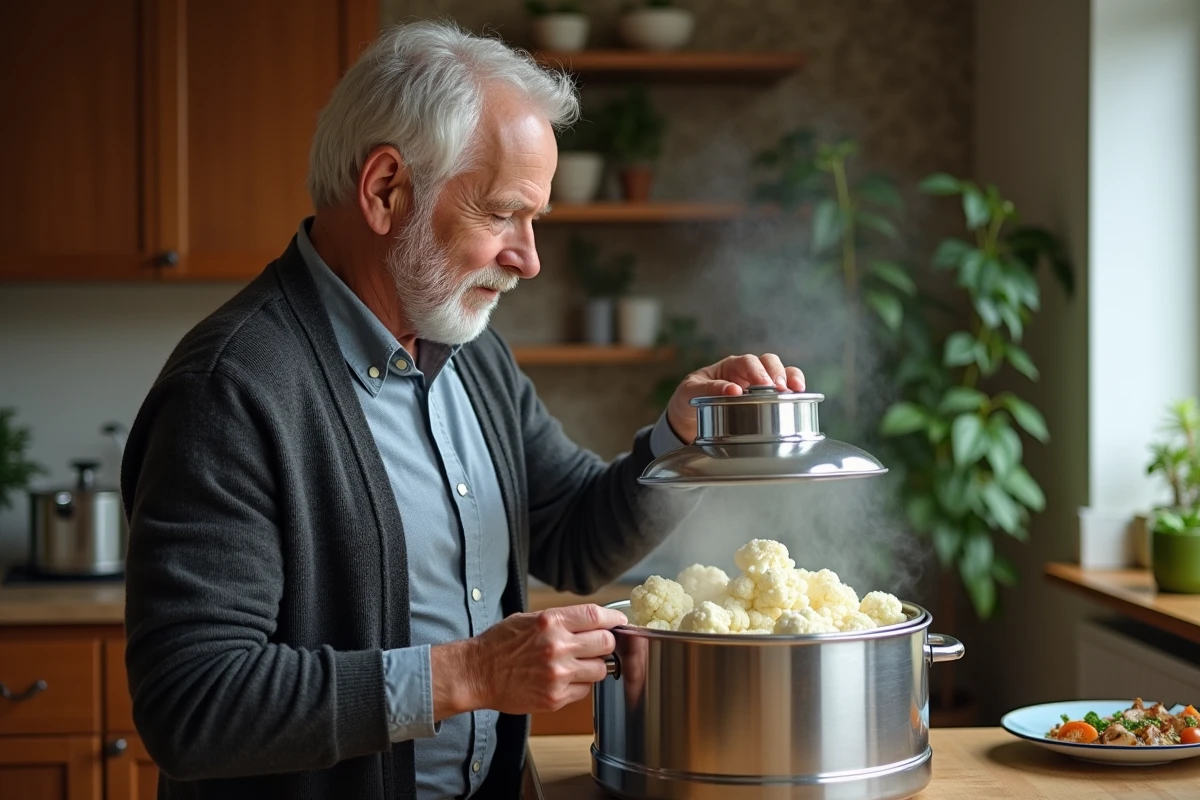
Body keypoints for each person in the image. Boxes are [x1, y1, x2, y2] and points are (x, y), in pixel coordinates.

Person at [121, 19, 807, 800]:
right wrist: (472, 674)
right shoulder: (229, 390)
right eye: (502, 213)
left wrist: (681, 438)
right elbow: (193, 704)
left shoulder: (472, 354)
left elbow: (573, 533)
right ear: (386, 190)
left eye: (534, 220)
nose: (529, 258)